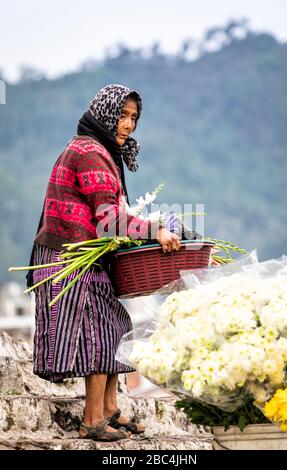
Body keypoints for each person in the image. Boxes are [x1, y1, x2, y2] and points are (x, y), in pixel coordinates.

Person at [27, 84, 180, 441]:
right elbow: (110, 219)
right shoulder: (89, 151)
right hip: (68, 257)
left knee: (115, 326)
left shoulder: (103, 152)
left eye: (133, 118)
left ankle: (109, 408)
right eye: (122, 115)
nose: (127, 125)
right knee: (96, 334)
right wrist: (154, 230)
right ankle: (91, 419)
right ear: (104, 113)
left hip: (85, 257)